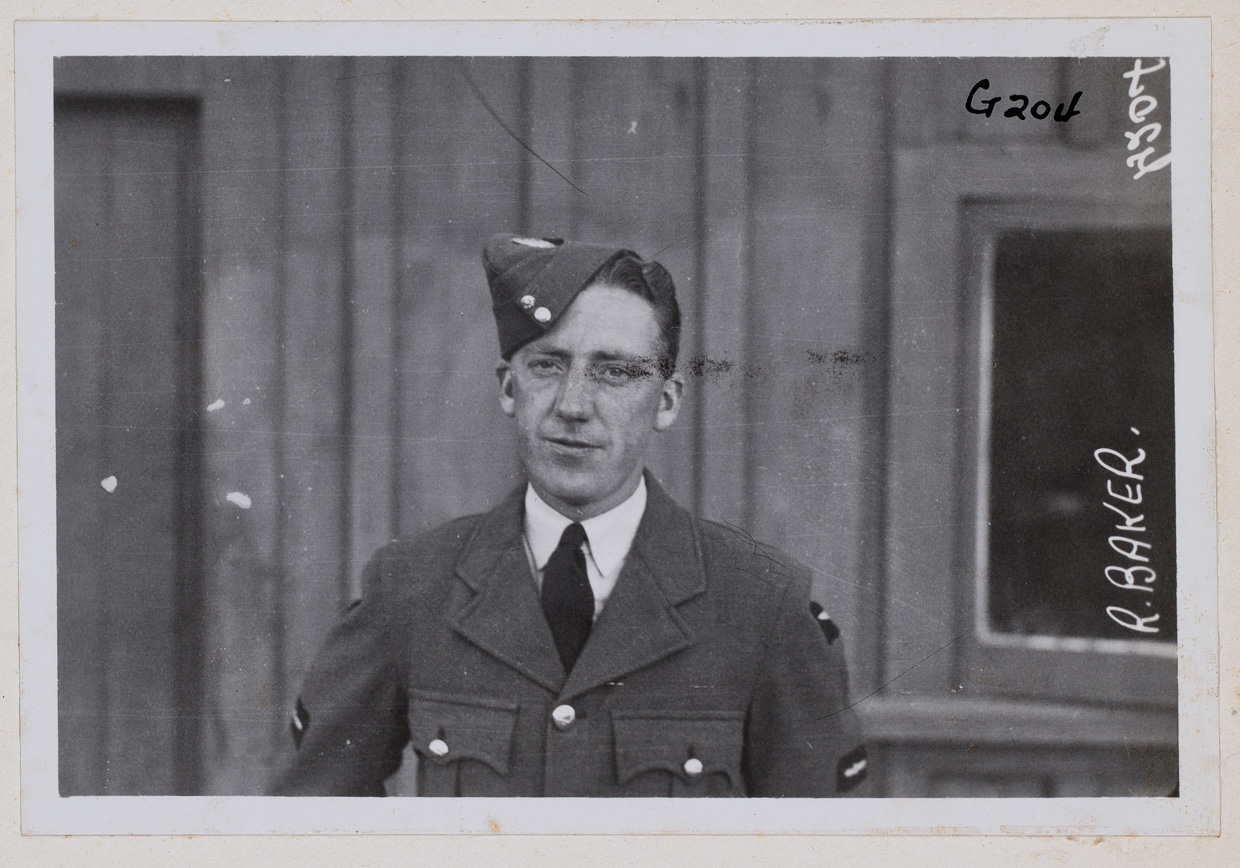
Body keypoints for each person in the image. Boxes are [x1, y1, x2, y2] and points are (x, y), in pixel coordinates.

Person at [270, 234, 867, 797]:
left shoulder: (762, 603)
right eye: (548, 366)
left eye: (615, 372)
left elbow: (815, 843)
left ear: (666, 402)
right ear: (509, 389)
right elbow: (315, 818)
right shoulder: (409, 588)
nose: (574, 406)